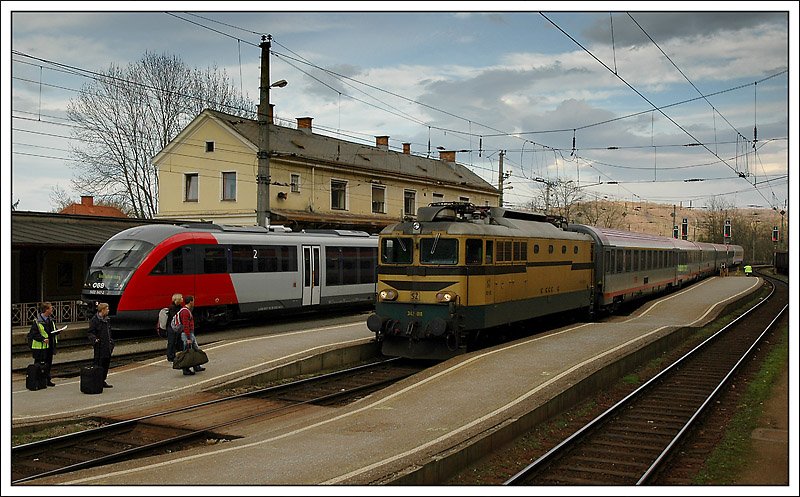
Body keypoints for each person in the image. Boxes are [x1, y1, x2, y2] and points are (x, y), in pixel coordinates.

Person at [27, 302, 58, 387]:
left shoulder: (50, 320)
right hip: (40, 347)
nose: (52, 310)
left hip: (49, 346)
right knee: (39, 364)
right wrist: (43, 339)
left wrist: (57, 332)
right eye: (51, 308)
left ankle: (47, 380)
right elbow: (33, 334)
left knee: (48, 363)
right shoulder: (37, 321)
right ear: (46, 310)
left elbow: (53, 330)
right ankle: (37, 380)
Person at [176, 295, 206, 376]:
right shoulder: (185, 312)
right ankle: (185, 369)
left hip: (189, 334)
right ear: (190, 302)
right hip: (187, 334)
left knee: (195, 349)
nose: (194, 302)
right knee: (187, 352)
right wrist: (188, 337)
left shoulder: (185, 310)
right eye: (193, 301)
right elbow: (186, 325)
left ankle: (196, 366)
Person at [87, 302, 115, 388]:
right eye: (107, 309)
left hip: (107, 346)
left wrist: (111, 342)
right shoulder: (95, 320)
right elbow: (90, 332)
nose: (108, 311)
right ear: (102, 310)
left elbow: (109, 332)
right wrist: (95, 340)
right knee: (98, 364)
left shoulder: (107, 320)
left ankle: (103, 380)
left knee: (106, 364)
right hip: (99, 346)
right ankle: (97, 381)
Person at [166, 293, 184, 362]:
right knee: (171, 342)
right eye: (181, 298)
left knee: (175, 341)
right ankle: (170, 356)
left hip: (175, 327)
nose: (183, 299)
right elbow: (175, 317)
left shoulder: (179, 307)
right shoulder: (172, 308)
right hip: (172, 327)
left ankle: (173, 355)